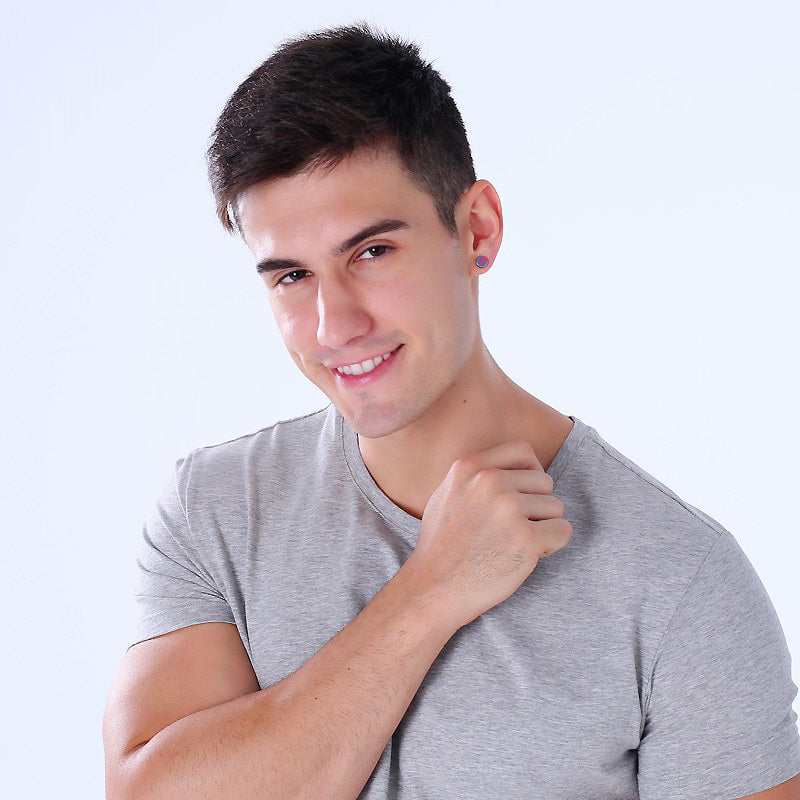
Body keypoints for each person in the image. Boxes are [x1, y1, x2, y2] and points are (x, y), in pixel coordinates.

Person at [103, 25, 800, 800]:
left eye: (372, 252)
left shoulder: (681, 581)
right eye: (291, 276)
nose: (335, 326)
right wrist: (429, 593)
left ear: (477, 230)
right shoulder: (217, 510)